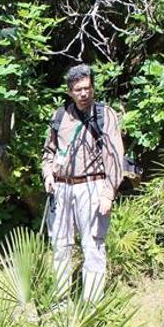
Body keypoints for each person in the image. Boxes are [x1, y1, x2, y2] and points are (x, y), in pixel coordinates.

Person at [42, 64, 124, 300]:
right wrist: (48, 174)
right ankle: (61, 301)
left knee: (93, 246)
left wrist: (108, 193)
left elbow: (115, 156)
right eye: (78, 89)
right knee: (60, 246)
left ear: (93, 88)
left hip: (92, 185)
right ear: (70, 91)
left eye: (87, 88)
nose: (84, 94)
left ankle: (92, 306)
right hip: (62, 187)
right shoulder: (60, 116)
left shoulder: (104, 115)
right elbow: (48, 152)